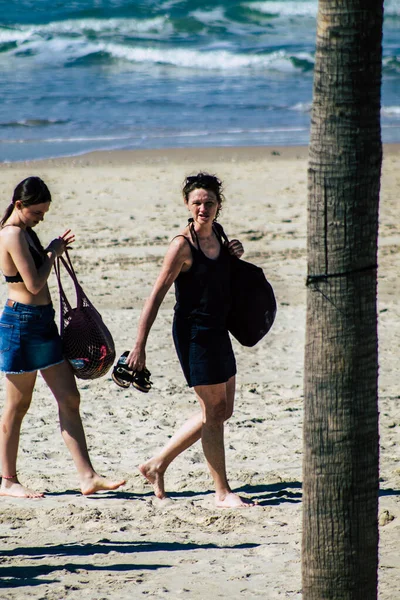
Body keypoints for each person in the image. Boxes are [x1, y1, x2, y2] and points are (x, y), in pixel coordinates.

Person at [127, 172, 253, 508]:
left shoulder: (220, 236)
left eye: (209, 202)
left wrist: (234, 254)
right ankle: (222, 492)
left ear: (218, 205)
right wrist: (139, 345)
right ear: (187, 204)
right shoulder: (182, 245)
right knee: (213, 412)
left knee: (222, 410)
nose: (203, 207)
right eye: (197, 202)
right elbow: (155, 296)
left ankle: (156, 465)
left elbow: (221, 279)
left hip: (219, 330)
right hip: (194, 334)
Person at [0, 176, 125, 498]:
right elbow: (33, 285)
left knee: (70, 398)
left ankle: (88, 476)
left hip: (43, 323)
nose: (40, 218)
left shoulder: (25, 232)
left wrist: (51, 249)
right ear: (19, 205)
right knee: (18, 405)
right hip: (21, 326)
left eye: (43, 213)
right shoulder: (12, 233)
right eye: (36, 213)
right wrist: (53, 252)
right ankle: (8, 480)